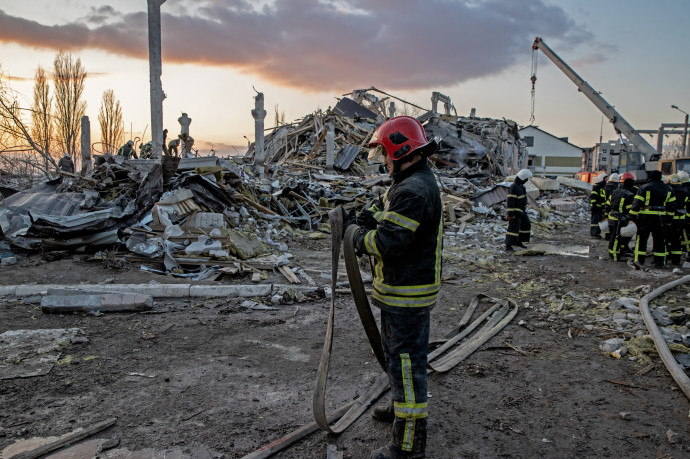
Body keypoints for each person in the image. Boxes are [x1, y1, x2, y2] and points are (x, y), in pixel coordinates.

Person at [345, 116, 442, 459]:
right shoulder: (409, 181)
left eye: (384, 154)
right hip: (401, 291)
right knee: (397, 360)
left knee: (406, 365)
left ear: (401, 150)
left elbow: (389, 242)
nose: (383, 162)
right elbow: (386, 210)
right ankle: (400, 405)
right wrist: (363, 216)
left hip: (407, 294)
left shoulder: (414, 190)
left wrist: (356, 236)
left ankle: (407, 446)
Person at [629, 170, 675, 269]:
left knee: (642, 240)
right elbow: (671, 206)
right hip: (660, 218)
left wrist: (632, 216)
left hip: (645, 218)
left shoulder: (644, 187)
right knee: (660, 241)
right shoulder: (668, 189)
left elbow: (637, 203)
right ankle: (660, 263)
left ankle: (639, 262)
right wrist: (669, 219)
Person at [606, 172, 635, 261]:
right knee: (617, 238)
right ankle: (615, 256)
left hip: (611, 217)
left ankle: (618, 253)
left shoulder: (614, 192)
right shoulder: (629, 195)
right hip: (620, 219)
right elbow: (629, 209)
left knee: (613, 237)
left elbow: (607, 205)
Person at [505, 168, 533, 251]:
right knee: (513, 228)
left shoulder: (521, 186)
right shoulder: (513, 187)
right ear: (523, 178)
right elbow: (510, 202)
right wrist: (510, 214)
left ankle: (519, 241)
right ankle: (508, 245)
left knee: (526, 225)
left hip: (522, 211)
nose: (527, 181)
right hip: (515, 211)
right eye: (526, 179)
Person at [666, 174, 689, 266]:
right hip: (681, 219)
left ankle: (667, 257)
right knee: (677, 240)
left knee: (667, 239)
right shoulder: (686, 192)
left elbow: (668, 205)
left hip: (671, 218)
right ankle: (676, 260)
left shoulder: (669, 191)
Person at [602, 173, 620, 240]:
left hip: (604, 206)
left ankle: (607, 236)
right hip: (612, 206)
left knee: (606, 221)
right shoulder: (616, 188)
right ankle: (611, 236)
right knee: (612, 223)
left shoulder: (605, 187)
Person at [590, 173, 607, 238]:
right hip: (596, 207)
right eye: (605, 179)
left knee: (599, 220)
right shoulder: (596, 187)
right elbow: (593, 197)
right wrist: (593, 206)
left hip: (600, 207)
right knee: (595, 221)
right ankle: (594, 233)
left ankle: (597, 233)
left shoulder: (603, 187)